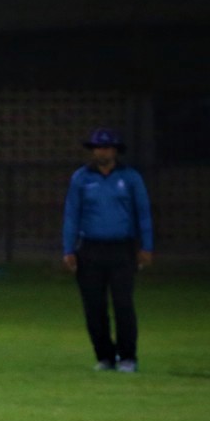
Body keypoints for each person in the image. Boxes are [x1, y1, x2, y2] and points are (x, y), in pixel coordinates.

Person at [63, 129, 154, 373]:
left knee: (123, 304)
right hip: (90, 249)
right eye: (97, 148)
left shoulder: (130, 177)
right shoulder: (81, 178)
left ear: (115, 151)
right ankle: (105, 357)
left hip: (122, 249)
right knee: (94, 307)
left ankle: (128, 357)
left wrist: (147, 246)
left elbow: (143, 212)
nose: (101, 152)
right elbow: (71, 214)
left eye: (106, 148)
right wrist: (68, 249)